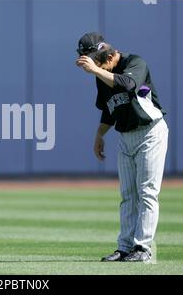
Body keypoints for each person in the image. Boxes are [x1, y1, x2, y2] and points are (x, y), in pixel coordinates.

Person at [75, 32, 168, 262]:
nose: (91, 63)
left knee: (147, 192)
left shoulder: (135, 62)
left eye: (92, 58)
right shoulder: (102, 75)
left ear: (104, 54)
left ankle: (143, 248)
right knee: (128, 195)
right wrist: (99, 135)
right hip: (126, 136)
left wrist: (97, 70)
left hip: (150, 133)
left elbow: (128, 84)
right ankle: (125, 247)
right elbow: (109, 109)